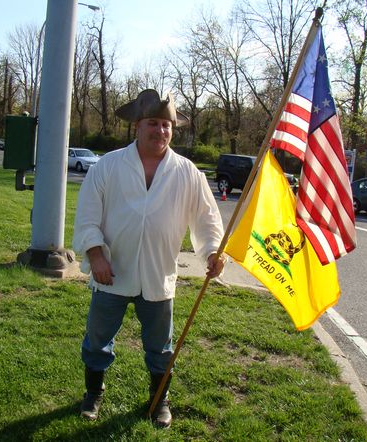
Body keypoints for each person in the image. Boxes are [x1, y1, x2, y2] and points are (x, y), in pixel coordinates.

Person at [72, 89, 226, 428]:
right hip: (111, 272)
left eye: (166, 125)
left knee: (160, 346)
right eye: (153, 123)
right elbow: (86, 216)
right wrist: (96, 255)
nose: (160, 130)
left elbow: (207, 219)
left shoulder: (188, 172)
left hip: (158, 275)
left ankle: (159, 400)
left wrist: (213, 251)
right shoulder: (108, 166)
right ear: (137, 126)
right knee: (98, 339)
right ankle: (93, 393)